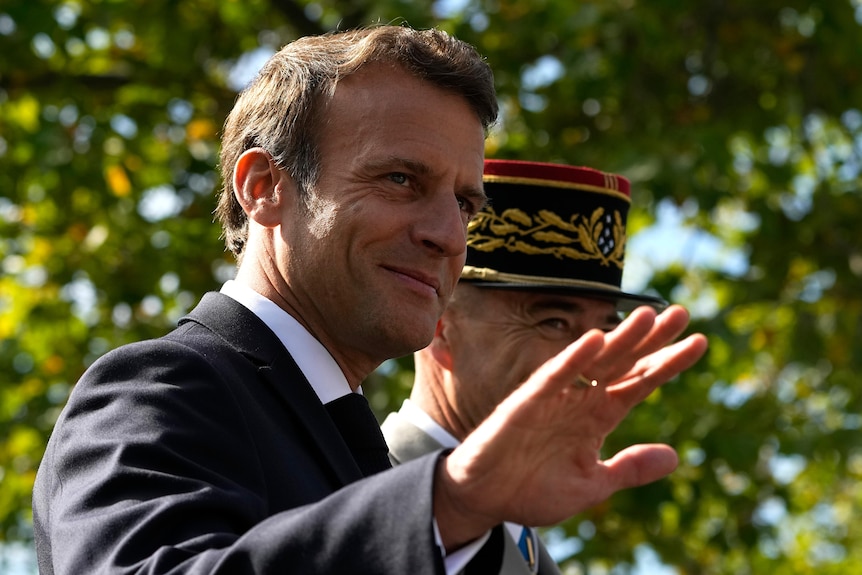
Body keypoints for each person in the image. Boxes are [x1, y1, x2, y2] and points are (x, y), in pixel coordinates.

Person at [32, 25, 708, 575]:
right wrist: (451, 501)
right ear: (264, 185)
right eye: (400, 179)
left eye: (464, 204)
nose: (448, 234)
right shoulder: (157, 388)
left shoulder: (350, 444)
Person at [382, 159, 672, 574]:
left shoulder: (529, 546)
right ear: (441, 328)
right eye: (554, 323)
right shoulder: (353, 491)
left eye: (608, 331)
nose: (592, 361)